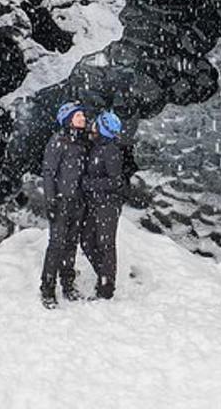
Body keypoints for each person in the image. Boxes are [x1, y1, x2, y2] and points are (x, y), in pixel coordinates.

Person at [80, 108, 138, 299]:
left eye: (97, 123)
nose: (93, 124)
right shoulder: (98, 145)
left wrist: (88, 183)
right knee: (87, 241)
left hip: (108, 204)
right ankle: (104, 276)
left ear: (103, 129)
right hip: (95, 202)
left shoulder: (111, 150)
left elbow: (116, 181)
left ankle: (106, 288)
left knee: (105, 243)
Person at [39, 101, 92, 308]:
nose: (83, 119)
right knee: (56, 246)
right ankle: (47, 289)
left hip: (78, 202)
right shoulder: (57, 142)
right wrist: (50, 200)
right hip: (61, 202)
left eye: (83, 116)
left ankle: (68, 285)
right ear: (68, 118)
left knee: (71, 245)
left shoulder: (82, 142)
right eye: (79, 116)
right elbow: (49, 173)